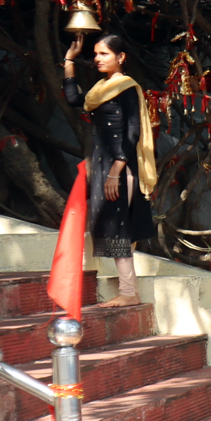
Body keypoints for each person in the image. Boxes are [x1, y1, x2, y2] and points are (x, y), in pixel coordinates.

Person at [64, 33, 155, 307]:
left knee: (118, 228)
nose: (97, 59)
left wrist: (116, 171)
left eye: (104, 53)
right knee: (114, 228)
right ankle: (128, 291)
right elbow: (72, 99)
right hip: (105, 165)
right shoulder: (100, 89)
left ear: (121, 57)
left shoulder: (126, 87)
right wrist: (69, 58)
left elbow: (132, 131)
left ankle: (129, 293)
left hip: (120, 166)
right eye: (95, 54)